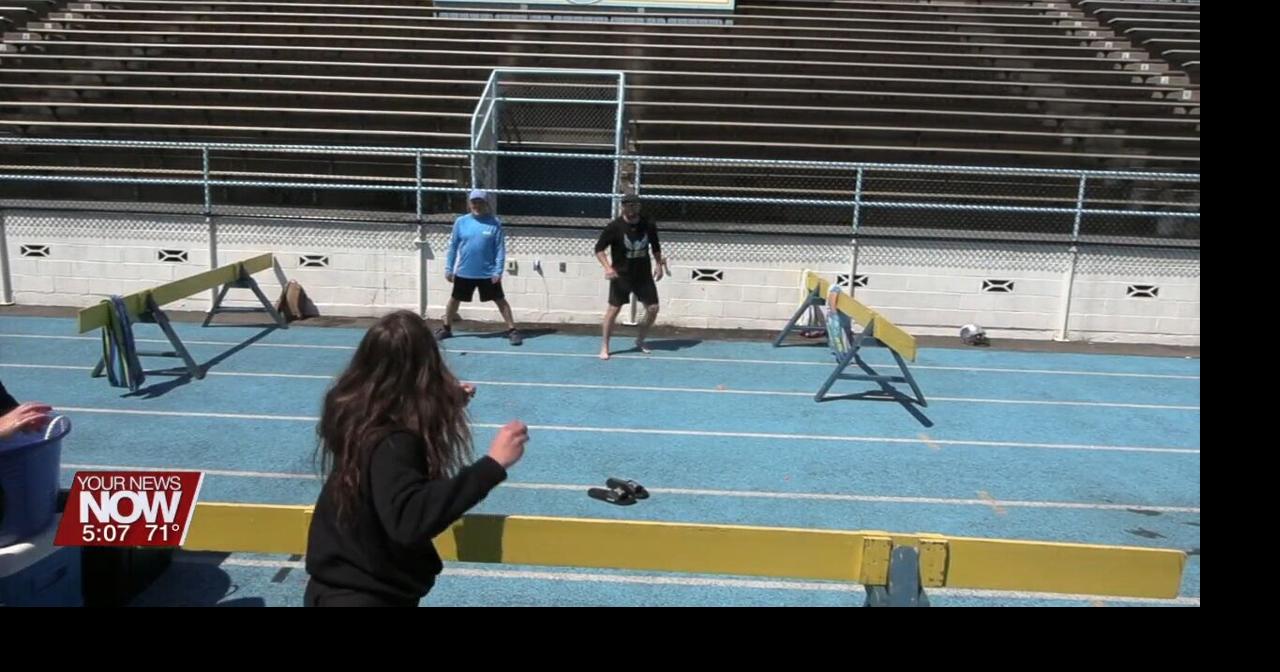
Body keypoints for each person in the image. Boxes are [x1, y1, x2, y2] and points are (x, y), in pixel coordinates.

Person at [304, 310, 529, 607]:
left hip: (334, 583)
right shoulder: (393, 441)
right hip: (367, 593)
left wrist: (441, 402)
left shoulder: (352, 416)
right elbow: (409, 519)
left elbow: (394, 412)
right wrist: (493, 465)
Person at [436, 189, 522, 345]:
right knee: (454, 300)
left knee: (500, 300)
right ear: (470, 204)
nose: (476, 204)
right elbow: (453, 247)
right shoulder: (461, 222)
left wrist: (498, 270)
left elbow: (500, 249)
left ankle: (512, 330)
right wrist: (449, 268)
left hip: (488, 274)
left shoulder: (494, 222)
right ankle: (446, 328)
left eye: (480, 201)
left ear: (485, 203)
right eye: (474, 201)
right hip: (464, 272)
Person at [594, 194, 666, 360]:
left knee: (653, 308)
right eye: (629, 205)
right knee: (613, 310)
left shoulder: (648, 224)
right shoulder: (614, 227)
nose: (632, 209)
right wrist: (608, 268)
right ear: (623, 207)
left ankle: (640, 339)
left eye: (635, 205)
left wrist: (658, 264)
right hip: (622, 275)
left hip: (643, 275)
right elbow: (599, 250)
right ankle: (605, 346)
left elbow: (655, 246)